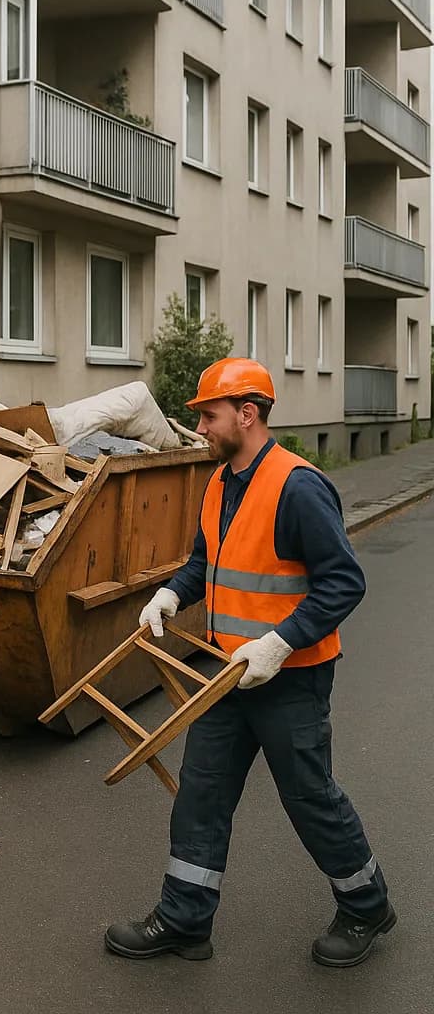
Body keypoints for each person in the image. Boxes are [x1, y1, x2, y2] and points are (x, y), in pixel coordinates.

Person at [104, 358, 392, 967]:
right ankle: (184, 920)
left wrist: (279, 642)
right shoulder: (219, 482)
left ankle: (367, 905)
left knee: (309, 797)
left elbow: (343, 582)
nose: (201, 427)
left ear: (247, 414)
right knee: (201, 794)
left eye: (208, 415)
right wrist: (171, 595)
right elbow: (203, 563)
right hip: (227, 677)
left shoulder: (298, 486)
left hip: (292, 678)